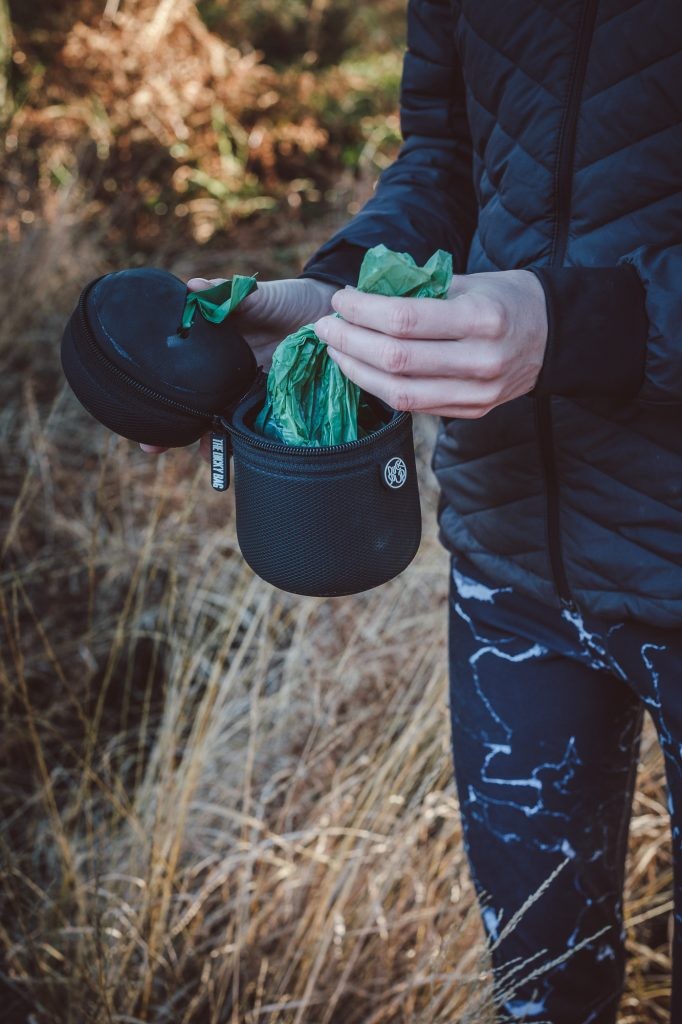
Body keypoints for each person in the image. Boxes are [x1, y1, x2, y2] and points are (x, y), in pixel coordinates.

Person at [144, 2, 682, 1020]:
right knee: (537, 990)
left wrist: (575, 326)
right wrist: (340, 294)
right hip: (512, 564)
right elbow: (446, 156)